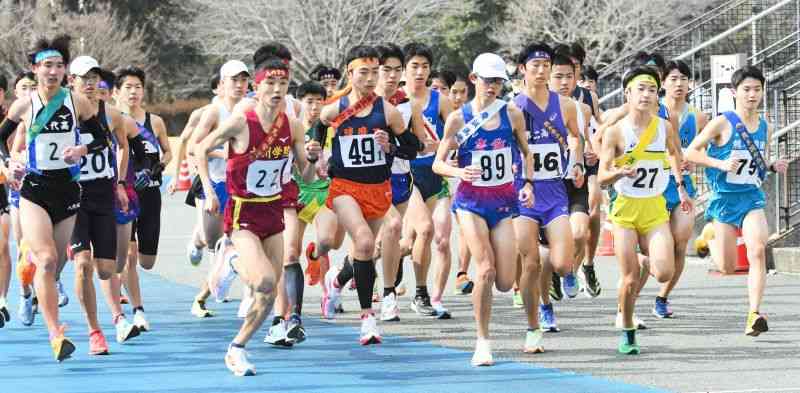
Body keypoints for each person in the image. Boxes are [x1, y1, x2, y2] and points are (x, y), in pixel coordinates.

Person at [196, 55, 314, 376]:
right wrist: (208, 191)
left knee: (269, 290)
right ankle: (231, 259)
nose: (277, 90)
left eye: (283, 84)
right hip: (243, 212)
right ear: (256, 87)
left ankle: (237, 348)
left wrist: (314, 159)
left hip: (274, 210)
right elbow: (200, 148)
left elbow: (307, 174)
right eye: (270, 84)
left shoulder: (294, 125)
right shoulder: (241, 121)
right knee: (262, 279)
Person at [0, 35, 112, 361]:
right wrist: (11, 164)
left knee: (55, 266)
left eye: (59, 66)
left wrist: (82, 149)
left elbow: (103, 140)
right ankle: (56, 334)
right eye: (47, 65)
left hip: (69, 191)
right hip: (35, 190)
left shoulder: (78, 101)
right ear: (35, 69)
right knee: (47, 260)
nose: (53, 71)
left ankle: (28, 263)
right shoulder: (24, 105)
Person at [433, 52, 534, 365]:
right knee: (485, 269)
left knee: (504, 281)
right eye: (487, 80)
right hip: (470, 202)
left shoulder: (512, 114)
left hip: (503, 201)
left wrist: (527, 183)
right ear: (474, 79)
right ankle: (482, 341)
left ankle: (495, 305)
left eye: (498, 81)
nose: (492, 86)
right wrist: (458, 172)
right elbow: (438, 163)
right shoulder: (458, 118)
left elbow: (527, 153)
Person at [319, 45, 420, 345]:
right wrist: (316, 152)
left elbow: (412, 147)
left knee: (364, 252)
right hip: (344, 188)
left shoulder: (386, 110)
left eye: (374, 72)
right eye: (363, 72)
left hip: (378, 188)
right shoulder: (336, 107)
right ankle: (368, 318)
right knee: (363, 240)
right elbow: (318, 125)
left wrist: (391, 146)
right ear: (350, 73)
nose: (370, 78)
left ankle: (336, 281)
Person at [686, 66, 787, 336]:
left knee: (757, 251)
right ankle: (709, 236)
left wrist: (772, 165)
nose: (752, 95)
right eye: (746, 89)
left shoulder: (765, 126)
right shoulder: (722, 122)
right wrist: (719, 162)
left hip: (751, 198)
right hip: (723, 199)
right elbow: (691, 152)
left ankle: (754, 313)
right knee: (727, 267)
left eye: (757, 89)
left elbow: (758, 162)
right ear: (734, 92)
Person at [598, 65, 689, 355]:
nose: (647, 95)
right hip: (625, 211)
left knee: (663, 272)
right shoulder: (615, 132)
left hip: (654, 208)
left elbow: (677, 153)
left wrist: (677, 179)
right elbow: (601, 177)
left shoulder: (665, 127)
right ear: (628, 94)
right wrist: (620, 173)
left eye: (652, 89)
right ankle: (627, 329)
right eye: (641, 89)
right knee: (629, 278)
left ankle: (646, 257)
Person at [68, 56, 145, 354]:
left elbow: (123, 146)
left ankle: (115, 316)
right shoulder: (62, 114)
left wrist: (122, 183)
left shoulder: (111, 115)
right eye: (82, 77)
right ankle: (95, 330)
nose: (89, 83)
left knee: (107, 268)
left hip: (103, 193)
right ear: (71, 81)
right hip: (73, 197)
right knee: (83, 265)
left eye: (94, 77)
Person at [511, 43, 583, 335]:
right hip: (524, 193)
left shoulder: (565, 105)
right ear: (523, 70)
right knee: (531, 262)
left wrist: (576, 161)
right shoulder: (513, 107)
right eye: (535, 66)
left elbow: (576, 138)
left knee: (563, 263)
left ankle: (557, 274)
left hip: (554, 191)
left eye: (545, 66)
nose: (541, 71)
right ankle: (542, 310)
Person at [187, 61, 249, 319]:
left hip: (243, 188)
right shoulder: (214, 112)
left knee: (239, 244)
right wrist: (222, 152)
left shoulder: (251, 110)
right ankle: (197, 242)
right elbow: (193, 146)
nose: (238, 85)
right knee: (214, 242)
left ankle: (247, 294)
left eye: (243, 80)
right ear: (221, 84)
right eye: (233, 80)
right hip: (216, 183)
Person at [114, 66, 173, 332]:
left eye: (138, 86)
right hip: (123, 194)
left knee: (147, 261)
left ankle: (128, 291)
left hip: (150, 193)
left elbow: (168, 152)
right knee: (129, 254)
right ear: (117, 91)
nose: (134, 92)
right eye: (128, 87)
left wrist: (159, 166)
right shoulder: (112, 119)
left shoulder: (155, 121)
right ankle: (138, 310)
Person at [399, 42, 455, 317]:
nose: (420, 72)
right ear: (404, 69)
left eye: (425, 66)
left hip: (432, 173)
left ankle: (347, 270)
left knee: (405, 245)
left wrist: (448, 151)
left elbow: (456, 133)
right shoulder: (395, 100)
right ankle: (421, 295)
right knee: (426, 229)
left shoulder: (439, 100)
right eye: (414, 66)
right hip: (403, 174)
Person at [652, 60, 707, 318]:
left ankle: (663, 296)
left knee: (681, 240)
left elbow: (705, 150)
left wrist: (691, 158)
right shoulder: (653, 111)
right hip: (654, 186)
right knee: (656, 246)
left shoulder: (698, 117)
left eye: (684, 78)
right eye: (673, 78)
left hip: (683, 186)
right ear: (663, 83)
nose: (679, 84)